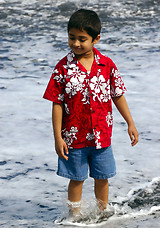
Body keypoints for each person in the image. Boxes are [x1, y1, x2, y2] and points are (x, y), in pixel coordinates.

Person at [43, 9, 139, 216]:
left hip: (101, 135)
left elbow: (118, 95)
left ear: (96, 39)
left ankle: (102, 214)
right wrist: (58, 137)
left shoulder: (107, 65)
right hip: (73, 137)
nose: (76, 43)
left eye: (82, 39)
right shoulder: (62, 68)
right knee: (76, 179)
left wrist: (130, 123)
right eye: (71, 38)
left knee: (102, 177)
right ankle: (74, 218)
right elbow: (56, 103)